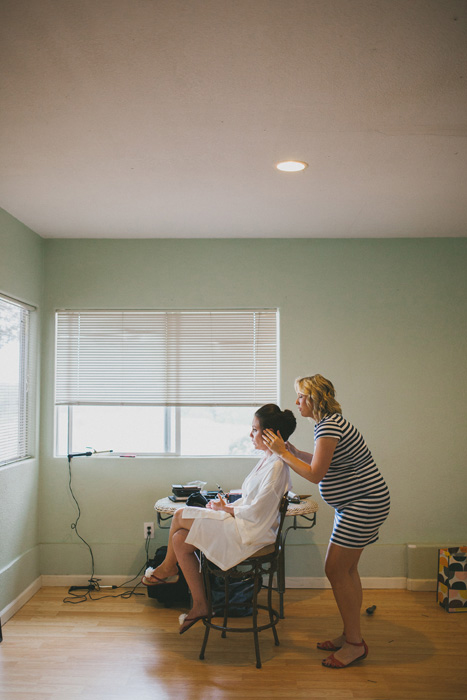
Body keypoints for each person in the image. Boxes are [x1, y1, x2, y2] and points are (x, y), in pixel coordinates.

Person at [262, 374, 390, 669]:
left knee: (335, 569)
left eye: (300, 397)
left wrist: (282, 453)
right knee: (347, 569)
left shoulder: (330, 425)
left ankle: (355, 644)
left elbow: (316, 474)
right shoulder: (328, 424)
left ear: (314, 399)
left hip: (364, 503)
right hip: (356, 504)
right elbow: (324, 461)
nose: (296, 402)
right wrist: (292, 451)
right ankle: (350, 634)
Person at [142, 404, 296, 634]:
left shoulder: (276, 466)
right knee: (180, 540)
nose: (250, 434)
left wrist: (228, 511)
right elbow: (252, 501)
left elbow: (258, 511)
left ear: (270, 435)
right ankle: (201, 605)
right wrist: (227, 506)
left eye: (254, 430)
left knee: (180, 514)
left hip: (251, 534)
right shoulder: (267, 459)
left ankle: (166, 569)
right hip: (244, 523)